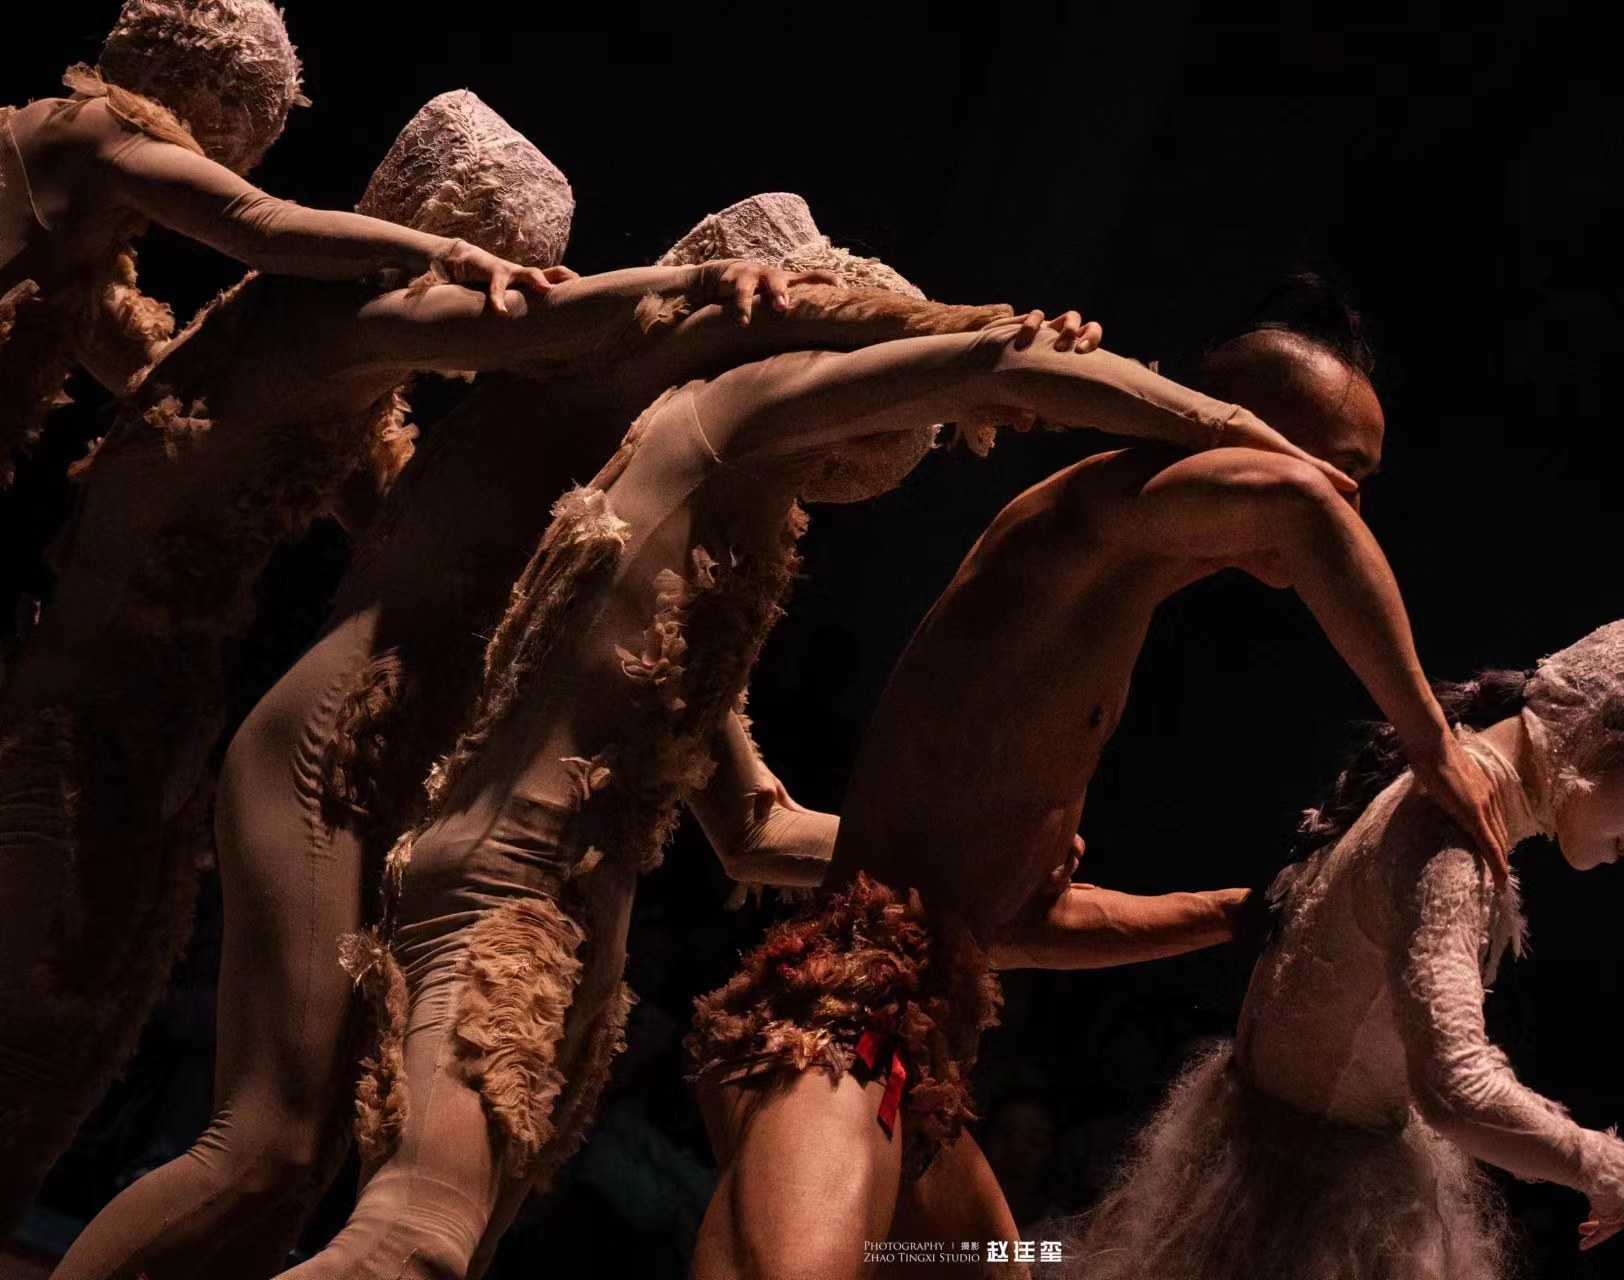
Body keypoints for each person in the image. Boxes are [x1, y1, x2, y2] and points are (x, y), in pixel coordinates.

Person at [274, 192, 1337, 1280]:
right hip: (689, 961)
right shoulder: (722, 416)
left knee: (992, 1263)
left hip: (635, 940)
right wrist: (1249, 445)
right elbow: (992, 367)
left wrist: (981, 849)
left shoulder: (727, 540)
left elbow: (754, 830)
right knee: (407, 1235)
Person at [46, 189, 1088, 1280]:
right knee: (271, 1150)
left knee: (315, 1182)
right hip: (346, 757)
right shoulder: (590, 394)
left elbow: (750, 827)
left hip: (433, 798)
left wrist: (965, 866)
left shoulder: (672, 499)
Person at [0, 95, 834, 1229]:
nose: (509, 284)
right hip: (212, 725)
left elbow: (749, 820)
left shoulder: (548, 453)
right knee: (218, 1124)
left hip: (196, 716)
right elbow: (495, 308)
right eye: (503, 258)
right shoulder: (360, 316)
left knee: (179, 1107)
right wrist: (701, 295)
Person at [683, 272, 1511, 1280]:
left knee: (1013, 1262)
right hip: (835, 1027)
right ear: (1247, 434)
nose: (1352, 504)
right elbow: (1302, 506)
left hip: (908, 1057)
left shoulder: (1116, 600)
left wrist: (1236, 913)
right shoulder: (1079, 523)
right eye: (1343, 468)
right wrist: (1432, 741)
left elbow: (1014, 924)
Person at [1059, 612, 1624, 1280]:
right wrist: (1604, 1166)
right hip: (1304, 1208)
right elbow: (1456, 1088)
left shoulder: (1445, 790)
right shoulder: (1453, 839)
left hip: (1271, 1161)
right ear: (1609, 728)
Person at [1, 0, 556, 486]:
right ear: (217, 97)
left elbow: (132, 365)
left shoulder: (52, 137)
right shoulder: (107, 128)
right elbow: (260, 223)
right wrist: (449, 252)